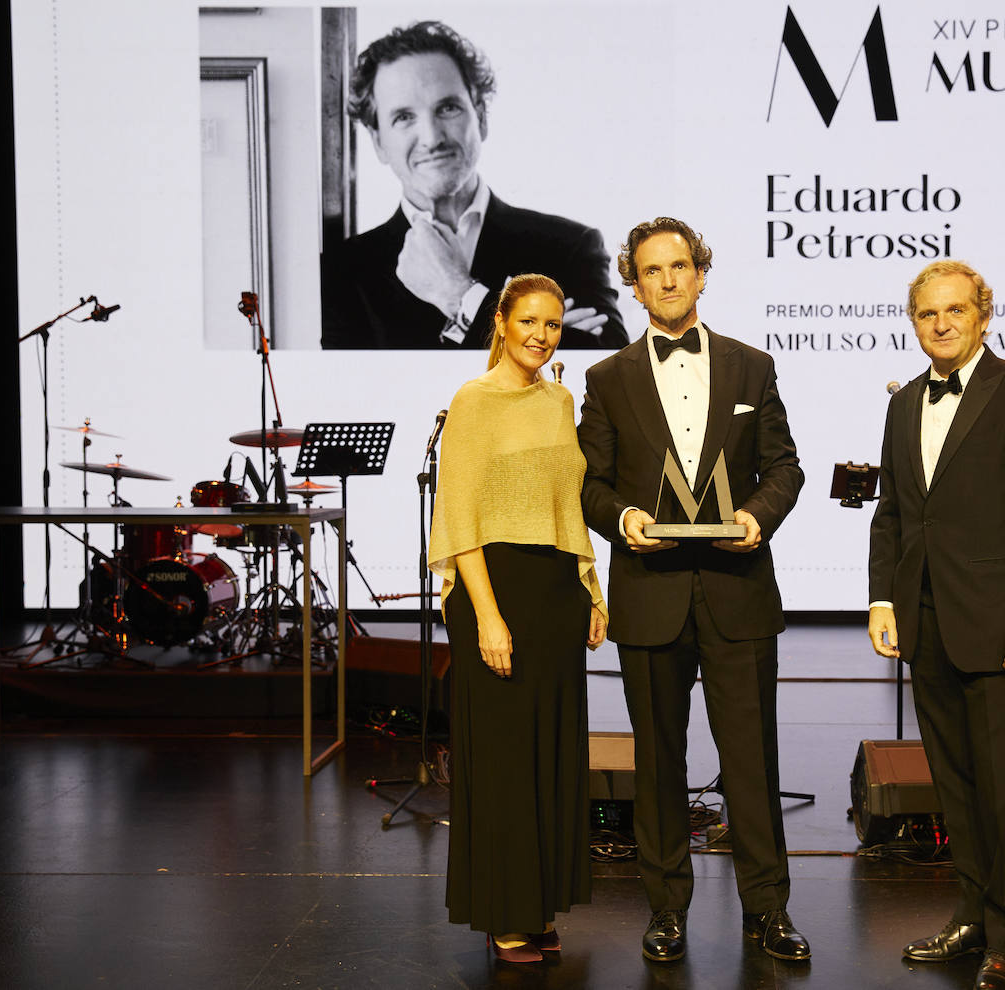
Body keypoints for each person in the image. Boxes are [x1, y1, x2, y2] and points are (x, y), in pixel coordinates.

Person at [577, 217, 810, 963]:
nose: (669, 280)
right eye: (653, 270)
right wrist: (623, 518)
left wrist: (757, 516)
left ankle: (768, 910)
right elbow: (591, 485)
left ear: (702, 274)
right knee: (659, 763)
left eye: (681, 266)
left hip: (738, 586)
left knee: (753, 760)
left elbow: (785, 468)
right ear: (634, 283)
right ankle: (666, 908)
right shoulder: (606, 379)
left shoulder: (752, 366)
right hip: (649, 593)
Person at [867, 260, 1005, 990]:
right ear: (915, 322)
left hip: (1000, 624)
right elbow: (894, 514)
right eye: (929, 314)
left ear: (983, 314)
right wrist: (883, 600)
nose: (942, 324)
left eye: (956, 310)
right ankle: (973, 914)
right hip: (925, 622)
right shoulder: (903, 406)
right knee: (955, 786)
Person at [428, 273, 608, 963]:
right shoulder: (472, 401)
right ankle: (505, 913)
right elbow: (461, 517)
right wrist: (486, 617)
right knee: (503, 761)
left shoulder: (561, 399)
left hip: (555, 591)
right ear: (500, 322)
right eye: (528, 320)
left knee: (549, 757)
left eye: (553, 325)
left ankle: (536, 905)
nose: (540, 335)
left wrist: (591, 587)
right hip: (494, 589)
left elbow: (566, 503)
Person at [322, 21, 627, 350]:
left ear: (480, 118)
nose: (432, 138)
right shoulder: (341, 272)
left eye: (448, 108)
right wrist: (537, 334)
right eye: (404, 117)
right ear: (379, 142)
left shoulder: (569, 247)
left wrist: (461, 295)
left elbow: (606, 379)